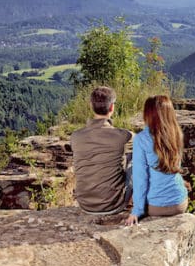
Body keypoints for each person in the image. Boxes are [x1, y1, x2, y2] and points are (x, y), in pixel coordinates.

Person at [125, 95, 188, 226]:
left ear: (147, 115)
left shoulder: (142, 139)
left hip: (156, 207)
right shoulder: (177, 134)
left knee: (131, 168)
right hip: (180, 202)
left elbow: (140, 178)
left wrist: (137, 211)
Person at [71, 86, 133, 215]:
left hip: (85, 204)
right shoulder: (122, 135)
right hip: (113, 205)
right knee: (137, 158)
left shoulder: (76, 136)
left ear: (91, 106)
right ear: (112, 108)